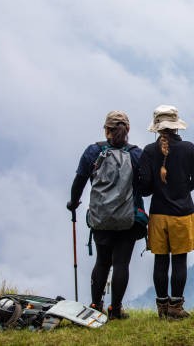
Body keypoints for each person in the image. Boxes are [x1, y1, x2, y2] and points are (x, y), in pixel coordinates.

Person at [66, 111, 144, 320]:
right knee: (121, 264)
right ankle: (115, 310)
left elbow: (79, 182)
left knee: (102, 262)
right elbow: (144, 186)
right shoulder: (136, 154)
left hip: (101, 218)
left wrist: (73, 203)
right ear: (127, 130)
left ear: (106, 130)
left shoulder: (93, 152)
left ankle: (94, 305)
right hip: (128, 218)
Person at [138, 104, 194, 319]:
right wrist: (182, 192)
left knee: (160, 261)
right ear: (177, 126)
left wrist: (159, 189)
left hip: (158, 214)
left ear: (157, 127)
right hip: (183, 214)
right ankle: (176, 307)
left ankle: (162, 308)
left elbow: (145, 188)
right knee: (179, 261)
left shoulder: (148, 151)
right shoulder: (189, 148)